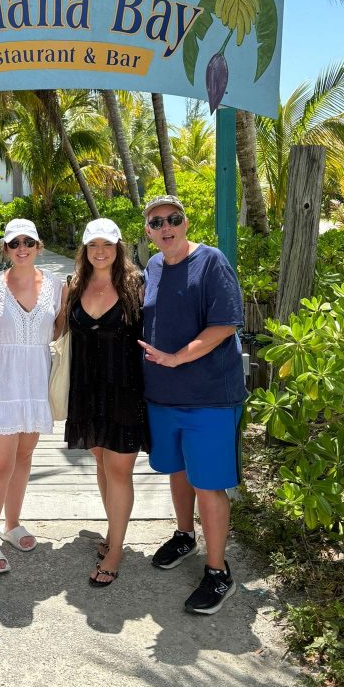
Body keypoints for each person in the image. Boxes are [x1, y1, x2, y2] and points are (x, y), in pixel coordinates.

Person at [138, 195, 246, 615]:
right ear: (148, 231)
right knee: (178, 469)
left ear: (185, 222)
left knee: (209, 483)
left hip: (210, 397)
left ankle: (219, 572)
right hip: (163, 395)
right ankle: (185, 535)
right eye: (156, 222)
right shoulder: (152, 266)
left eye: (173, 219)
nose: (165, 227)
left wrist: (177, 358)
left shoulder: (211, 261)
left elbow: (225, 324)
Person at [0, 219, 66, 574]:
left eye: (28, 242)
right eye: (14, 243)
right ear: (5, 249)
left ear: (39, 246)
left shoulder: (56, 285)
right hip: (0, 381)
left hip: (34, 380)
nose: (21, 248)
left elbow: (58, 329)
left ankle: (11, 525)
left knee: (23, 456)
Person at [65, 218, 150, 588]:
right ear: (85, 250)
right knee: (101, 461)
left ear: (119, 247)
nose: (100, 251)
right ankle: (113, 532)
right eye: (93, 245)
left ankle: (115, 552)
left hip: (124, 389)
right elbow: (57, 329)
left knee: (118, 470)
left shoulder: (137, 284)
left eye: (107, 244)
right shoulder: (74, 285)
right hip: (86, 389)